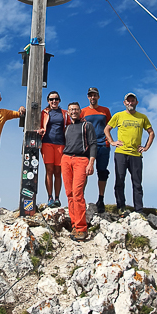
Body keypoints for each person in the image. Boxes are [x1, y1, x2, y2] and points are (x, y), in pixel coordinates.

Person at [104, 93, 155, 216]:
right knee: (120, 181)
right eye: (128, 101)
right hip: (121, 153)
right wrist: (112, 142)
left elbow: (151, 132)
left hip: (136, 154)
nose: (130, 103)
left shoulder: (142, 117)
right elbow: (107, 129)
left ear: (136, 102)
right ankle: (121, 207)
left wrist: (146, 147)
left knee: (137, 183)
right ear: (124, 103)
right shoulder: (118, 115)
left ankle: (139, 210)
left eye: (133, 101)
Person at [61, 102, 97, 242]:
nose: (73, 112)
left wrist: (91, 162)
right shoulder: (67, 128)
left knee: (77, 193)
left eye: (75, 109)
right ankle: (75, 225)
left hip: (81, 160)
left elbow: (93, 143)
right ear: (68, 112)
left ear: (80, 111)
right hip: (66, 159)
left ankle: (82, 229)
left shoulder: (87, 125)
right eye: (71, 110)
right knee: (69, 193)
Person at [81, 87, 111, 213]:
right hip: (87, 146)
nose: (92, 97)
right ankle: (80, 198)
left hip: (103, 144)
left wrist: (110, 140)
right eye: (90, 95)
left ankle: (101, 199)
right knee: (84, 172)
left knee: (102, 172)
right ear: (88, 97)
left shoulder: (105, 111)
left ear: (98, 97)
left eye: (95, 95)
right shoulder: (83, 111)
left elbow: (109, 126)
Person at [38, 91, 71, 208]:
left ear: (59, 100)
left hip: (61, 144)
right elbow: (39, 124)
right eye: (51, 99)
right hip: (47, 143)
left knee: (58, 172)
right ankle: (50, 197)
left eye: (56, 99)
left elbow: (72, 124)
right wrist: (40, 130)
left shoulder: (65, 113)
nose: (54, 101)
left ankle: (57, 198)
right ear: (48, 101)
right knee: (49, 170)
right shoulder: (44, 113)